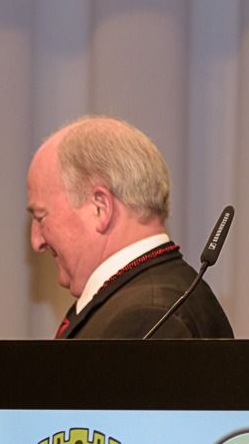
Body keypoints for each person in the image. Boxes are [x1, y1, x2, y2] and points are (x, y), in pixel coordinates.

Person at [27, 115, 234, 339]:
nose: (36, 241)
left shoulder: (148, 316)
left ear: (100, 207)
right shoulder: (146, 299)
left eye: (41, 216)